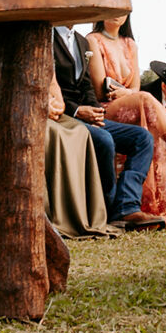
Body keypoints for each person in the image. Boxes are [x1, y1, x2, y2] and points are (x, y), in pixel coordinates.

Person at [87, 13, 166, 228]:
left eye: (123, 10)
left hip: (129, 100)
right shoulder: (93, 39)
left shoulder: (130, 44)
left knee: (146, 112)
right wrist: (128, 94)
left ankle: (137, 204)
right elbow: (101, 88)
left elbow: (134, 87)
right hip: (105, 107)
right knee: (146, 99)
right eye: (112, 9)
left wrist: (126, 93)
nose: (117, 14)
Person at [51, 24, 159, 230]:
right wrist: (76, 111)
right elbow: (48, 85)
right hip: (63, 115)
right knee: (104, 139)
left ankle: (126, 207)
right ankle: (109, 209)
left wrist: (95, 111)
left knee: (142, 138)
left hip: (88, 115)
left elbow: (85, 84)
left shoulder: (81, 41)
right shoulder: (45, 39)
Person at [45, 72, 109, 238]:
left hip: (54, 111)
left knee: (80, 131)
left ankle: (83, 211)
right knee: (53, 133)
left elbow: (56, 91)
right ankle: (54, 211)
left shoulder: (48, 58)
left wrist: (56, 105)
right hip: (24, 107)